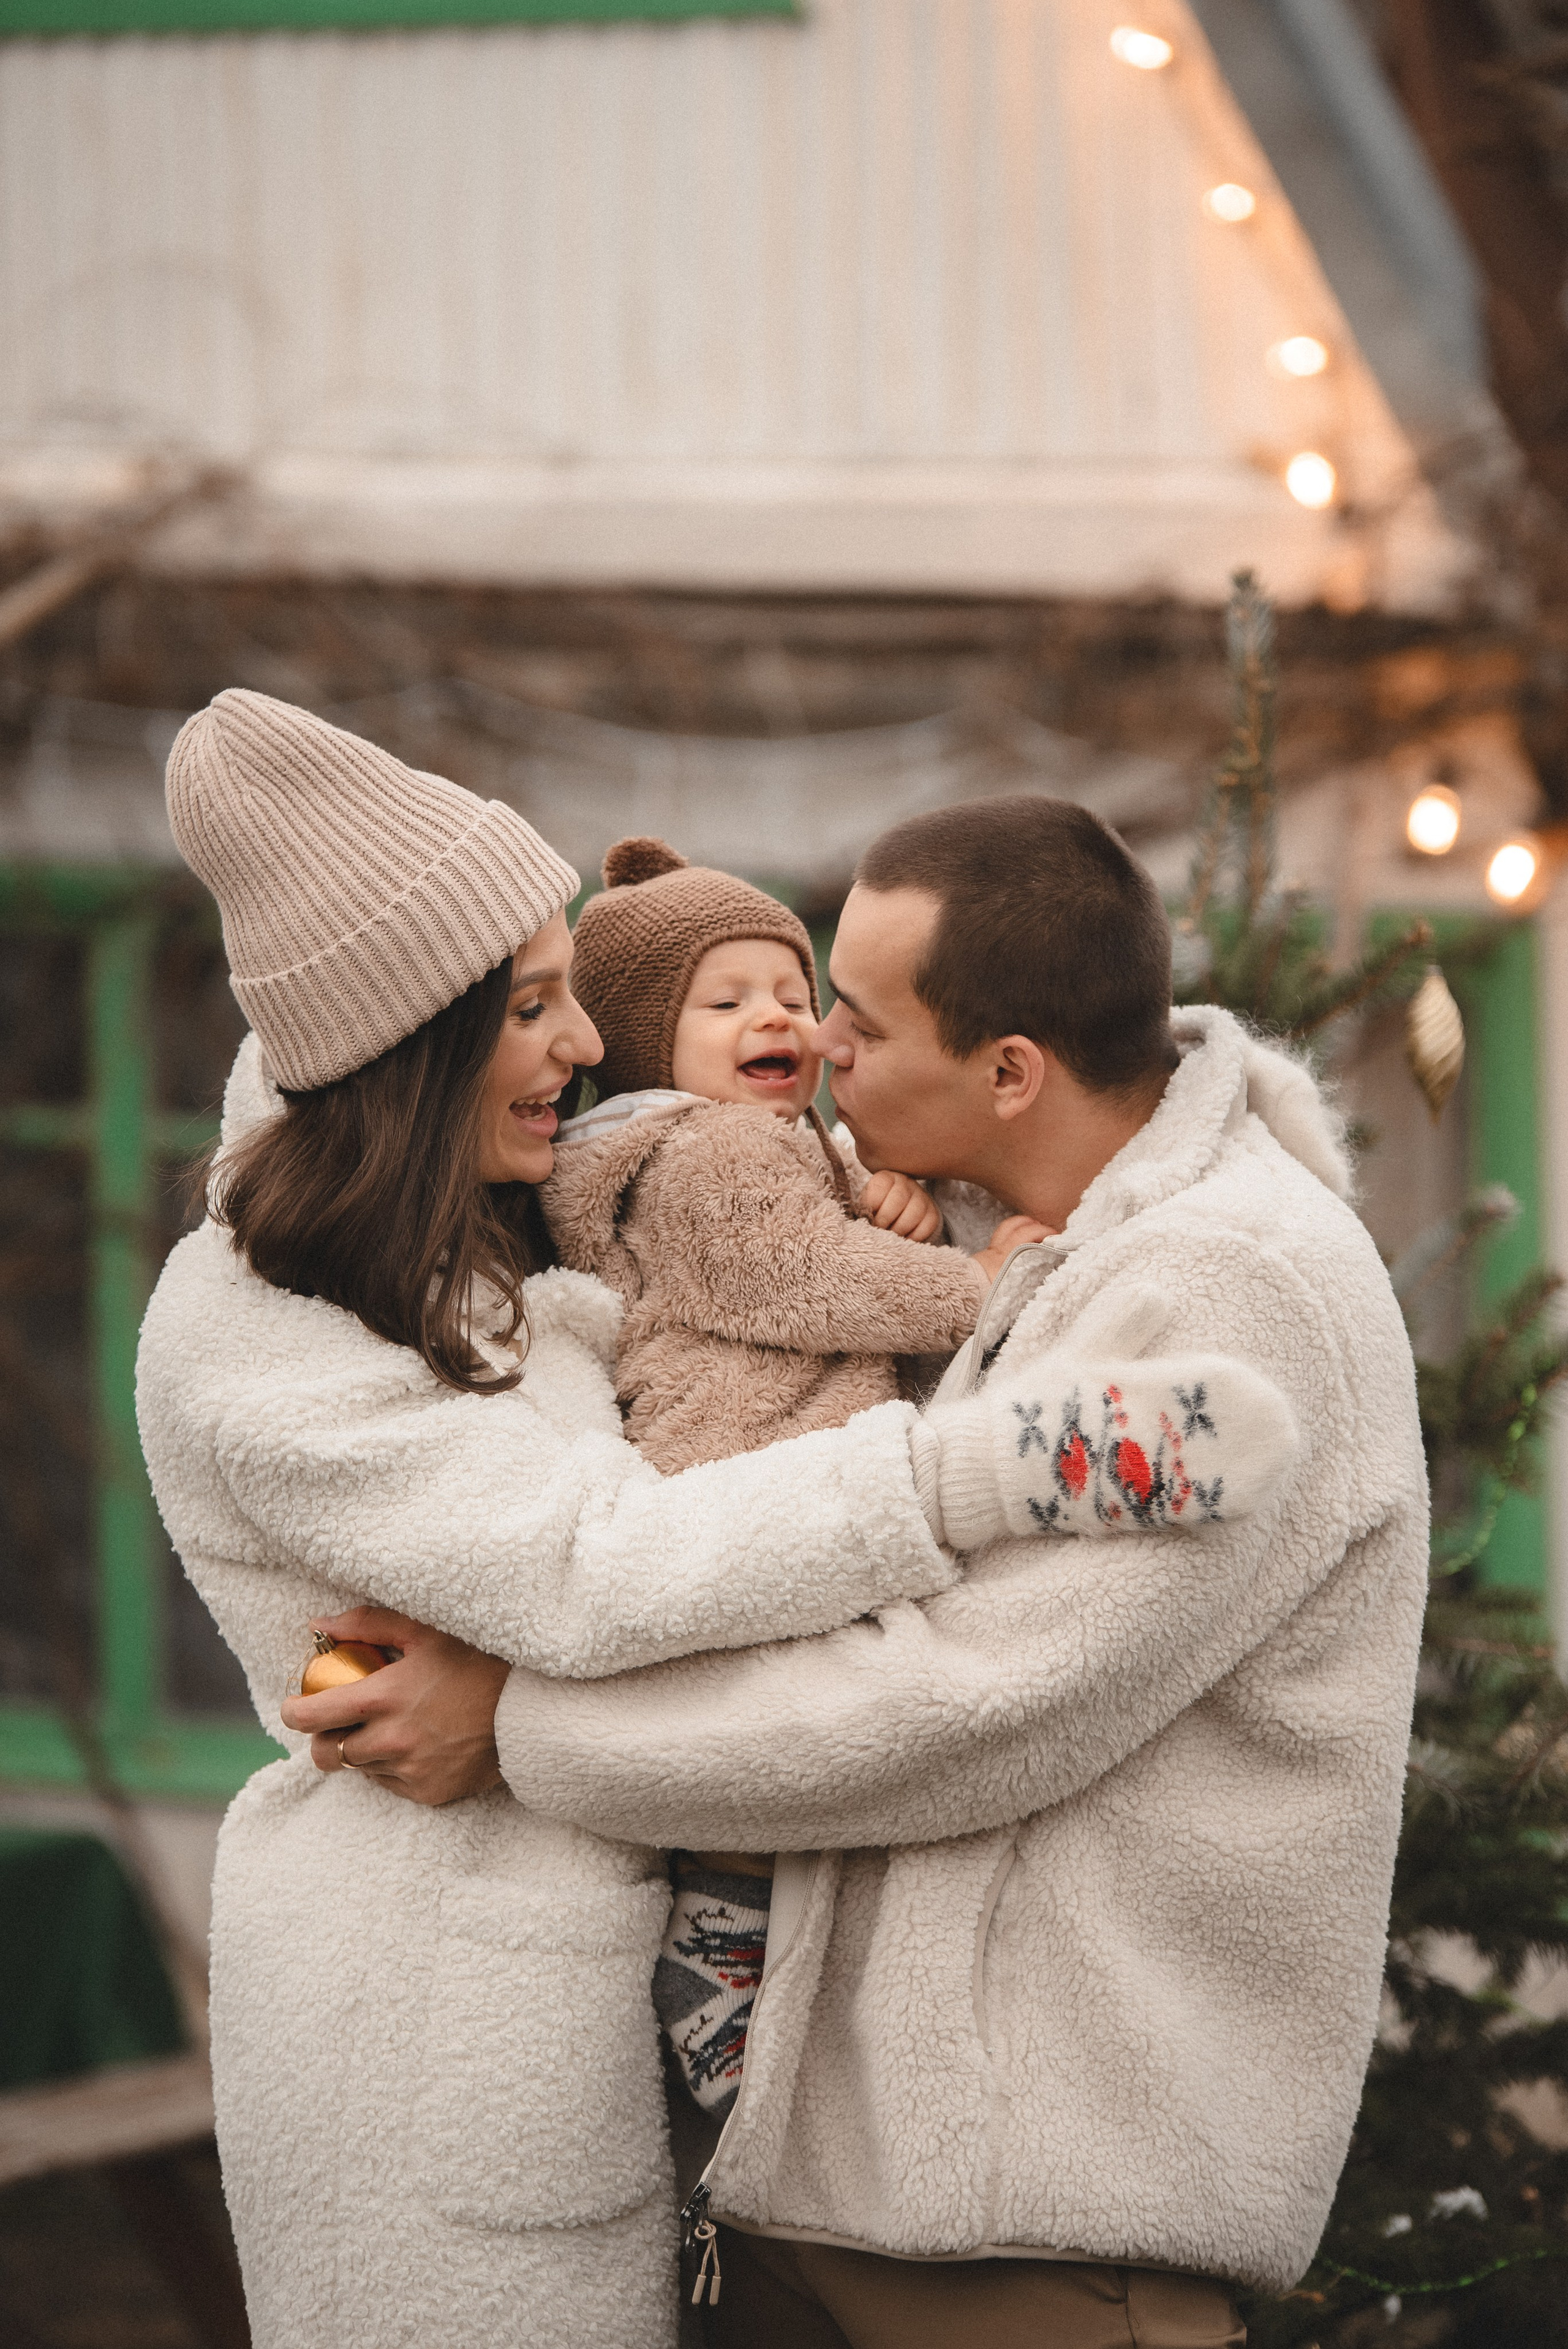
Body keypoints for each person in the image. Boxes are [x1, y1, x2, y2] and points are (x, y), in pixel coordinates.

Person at [135, 696, 1226, 2349]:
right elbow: (600, 1565)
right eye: (531, 1006)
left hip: (616, 1989)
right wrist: (970, 1469)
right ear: (409, 1041)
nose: (588, 1045)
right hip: (432, 2036)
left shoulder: (489, 1227)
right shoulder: (264, 1321)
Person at [296, 797, 1430, 2349]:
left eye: (858, 1016)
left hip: (1032, 2237)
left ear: (1008, 1069)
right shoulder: (998, 1228)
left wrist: (520, 1730)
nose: (816, 1042)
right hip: (836, 2200)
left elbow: (969, 1703)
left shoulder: (1227, 1289)